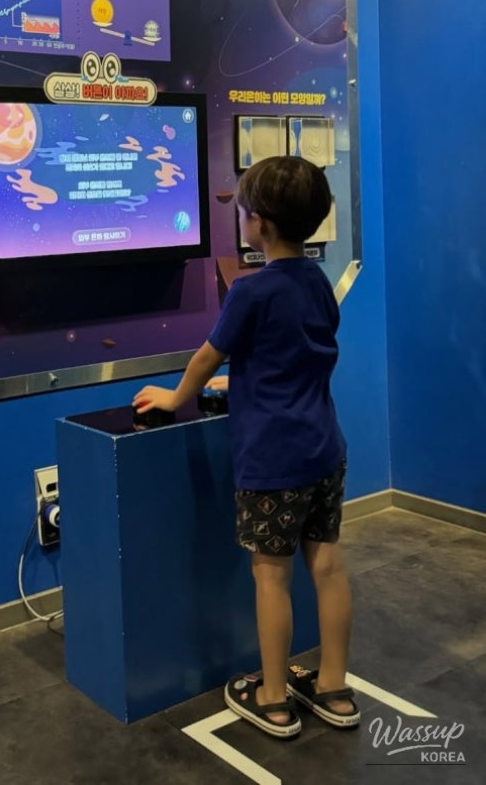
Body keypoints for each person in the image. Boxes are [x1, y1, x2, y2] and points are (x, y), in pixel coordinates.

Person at [133, 155, 358, 739]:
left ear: (259, 224)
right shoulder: (319, 281)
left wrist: (177, 394)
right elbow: (298, 353)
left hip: (273, 460)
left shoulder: (250, 291)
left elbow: (209, 355)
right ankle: (333, 687)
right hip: (325, 450)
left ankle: (275, 696)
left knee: (271, 577)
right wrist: (248, 378)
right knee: (328, 566)